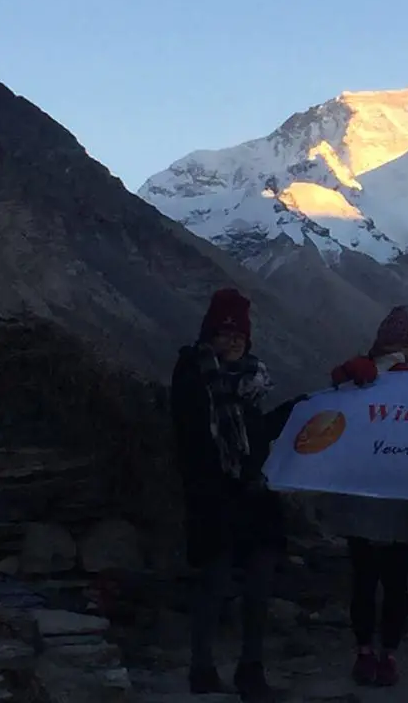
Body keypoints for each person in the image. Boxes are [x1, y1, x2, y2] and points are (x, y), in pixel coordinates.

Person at [170, 288, 301, 702]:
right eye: (224, 333)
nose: (233, 341)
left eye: (239, 334)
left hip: (253, 497)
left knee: (259, 583)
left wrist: (301, 409)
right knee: (214, 581)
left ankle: (251, 669)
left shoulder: (249, 382)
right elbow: (195, 439)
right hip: (213, 497)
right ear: (210, 335)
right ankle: (203, 669)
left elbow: (255, 435)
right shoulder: (194, 376)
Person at [322, 305, 408, 687]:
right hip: (366, 492)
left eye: (402, 344)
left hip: (401, 493)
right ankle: (367, 650)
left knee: (394, 581)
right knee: (367, 579)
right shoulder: (360, 376)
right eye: (388, 344)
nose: (394, 351)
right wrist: (347, 377)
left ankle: (387, 653)